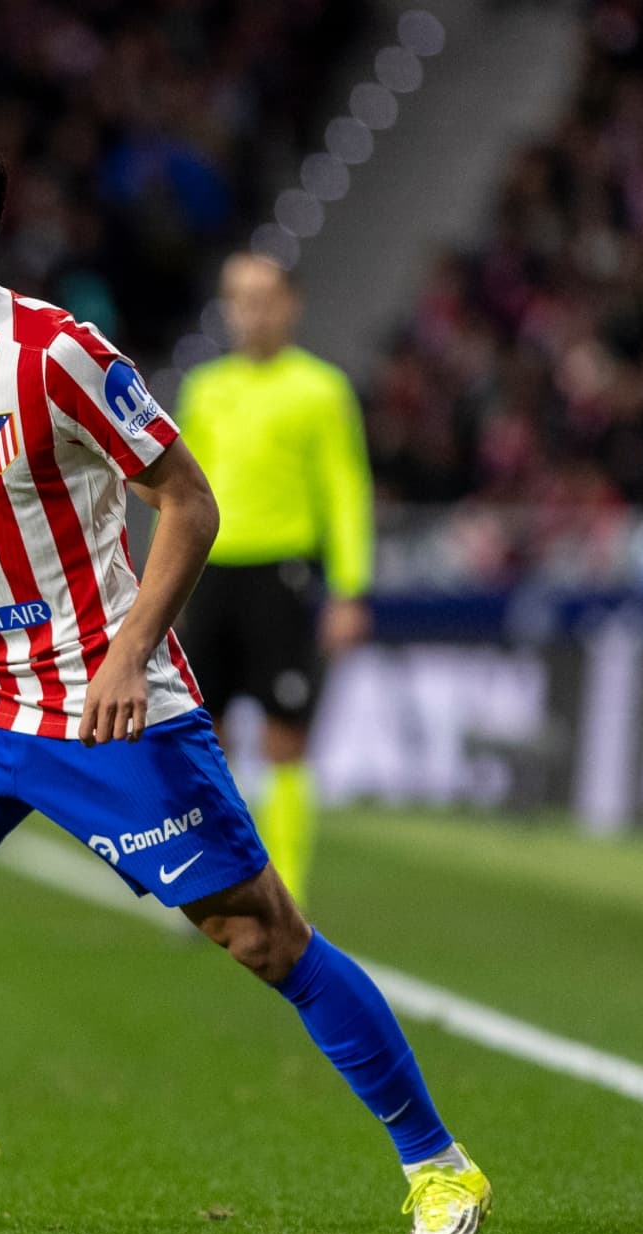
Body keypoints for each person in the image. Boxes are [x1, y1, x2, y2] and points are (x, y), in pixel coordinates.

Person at [0, 121, 488, 1234]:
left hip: (101, 700)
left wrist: (130, 651)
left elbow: (189, 502)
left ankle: (440, 1164)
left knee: (263, 936)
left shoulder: (53, 355)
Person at [172, 253, 375, 910]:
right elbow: (180, 493)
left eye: (262, 296)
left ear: (292, 303)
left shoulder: (321, 389)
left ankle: (283, 887)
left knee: (285, 735)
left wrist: (350, 586)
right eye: (237, 297)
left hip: (282, 574)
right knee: (207, 733)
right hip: (210, 573)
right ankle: (220, 879)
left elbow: (346, 491)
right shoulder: (203, 388)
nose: (249, 310)